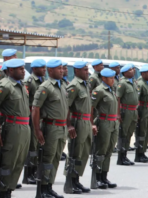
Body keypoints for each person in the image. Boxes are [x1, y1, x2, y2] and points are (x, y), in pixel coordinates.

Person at [32, 59, 76, 198]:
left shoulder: (62, 86)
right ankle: (43, 189)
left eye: (62, 68)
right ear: (50, 71)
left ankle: (49, 186)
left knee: (56, 158)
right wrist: (37, 130)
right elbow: (35, 108)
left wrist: (68, 125)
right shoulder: (45, 87)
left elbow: (66, 108)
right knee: (47, 158)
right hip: (50, 127)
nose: (62, 71)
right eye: (59, 69)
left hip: (61, 127)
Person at [0, 59, 30, 197]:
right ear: (11, 70)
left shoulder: (21, 85)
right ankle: (2, 191)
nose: (24, 71)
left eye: (24, 68)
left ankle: (9, 190)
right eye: (20, 69)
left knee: (19, 162)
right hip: (12, 127)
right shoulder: (5, 85)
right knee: (8, 162)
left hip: (24, 127)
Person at [64, 61, 93, 194]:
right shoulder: (74, 86)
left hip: (86, 122)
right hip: (78, 122)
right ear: (76, 71)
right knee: (75, 153)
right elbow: (66, 107)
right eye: (84, 70)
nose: (87, 72)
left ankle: (76, 180)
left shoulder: (85, 85)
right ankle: (69, 183)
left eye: (87, 69)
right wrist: (69, 125)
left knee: (84, 152)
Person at [91, 68, 118, 189]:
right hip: (104, 122)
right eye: (111, 78)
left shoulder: (111, 90)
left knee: (109, 150)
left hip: (113, 122)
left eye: (113, 78)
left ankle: (104, 176)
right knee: (101, 150)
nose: (113, 80)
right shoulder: (99, 91)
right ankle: (97, 178)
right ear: (104, 79)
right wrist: (92, 124)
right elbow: (91, 108)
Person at [23, 59, 46, 185]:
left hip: (40, 117)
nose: (44, 70)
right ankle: (28, 174)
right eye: (42, 68)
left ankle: (35, 171)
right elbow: (26, 100)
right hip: (31, 117)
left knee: (37, 145)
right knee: (32, 146)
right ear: (35, 69)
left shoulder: (42, 80)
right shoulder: (30, 81)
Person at [116, 64, 138, 165]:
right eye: (129, 70)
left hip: (133, 111)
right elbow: (118, 99)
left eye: (132, 70)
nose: (132, 71)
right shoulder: (123, 83)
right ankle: (121, 157)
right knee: (123, 134)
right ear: (124, 73)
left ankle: (125, 155)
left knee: (129, 133)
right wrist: (118, 113)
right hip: (126, 111)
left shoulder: (133, 82)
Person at [135, 65, 148, 163]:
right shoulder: (140, 84)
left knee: (146, 132)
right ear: (142, 74)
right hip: (142, 110)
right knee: (141, 132)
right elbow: (137, 99)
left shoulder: (147, 83)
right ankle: (139, 154)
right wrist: (137, 112)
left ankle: (143, 152)